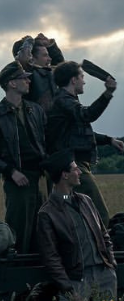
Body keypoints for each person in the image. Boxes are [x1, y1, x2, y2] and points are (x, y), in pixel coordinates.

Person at [37, 150, 117, 301]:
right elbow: (51, 258)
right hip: (76, 280)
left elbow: (104, 235)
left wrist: (110, 263)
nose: (80, 172)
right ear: (65, 175)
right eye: (75, 169)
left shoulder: (85, 200)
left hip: (103, 274)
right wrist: (69, 289)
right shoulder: (47, 213)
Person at [0, 61, 46, 253]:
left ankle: (41, 279)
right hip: (18, 182)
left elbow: (45, 142)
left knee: (42, 228)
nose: (28, 81)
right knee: (19, 231)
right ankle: (16, 276)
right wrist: (11, 171)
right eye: (23, 78)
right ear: (12, 83)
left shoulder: (36, 110)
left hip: (41, 178)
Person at [46, 61, 123, 226]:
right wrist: (108, 93)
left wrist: (109, 140)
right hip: (74, 165)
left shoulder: (67, 101)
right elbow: (87, 115)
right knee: (98, 213)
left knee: (81, 212)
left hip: (74, 164)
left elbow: (80, 133)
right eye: (82, 77)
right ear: (73, 80)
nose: (84, 81)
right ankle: (104, 249)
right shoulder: (64, 101)